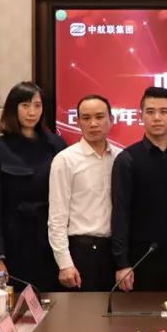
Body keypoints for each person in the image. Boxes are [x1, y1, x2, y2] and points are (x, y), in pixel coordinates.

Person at [0, 82, 67, 292]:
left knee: (53, 302)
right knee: (16, 304)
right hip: (13, 240)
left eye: (37, 106)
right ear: (13, 108)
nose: (32, 112)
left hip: (50, 239)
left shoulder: (56, 145)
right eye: (25, 105)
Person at [111, 87, 167, 291]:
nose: (157, 118)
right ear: (140, 116)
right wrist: (122, 262)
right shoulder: (127, 159)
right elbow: (120, 212)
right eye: (150, 112)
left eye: (163, 111)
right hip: (141, 258)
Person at [48, 95, 117, 291]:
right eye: (86, 118)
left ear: (111, 120)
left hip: (114, 251)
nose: (93, 123)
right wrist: (65, 264)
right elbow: (57, 218)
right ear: (78, 122)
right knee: (82, 310)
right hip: (81, 251)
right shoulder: (65, 160)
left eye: (99, 117)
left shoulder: (120, 157)